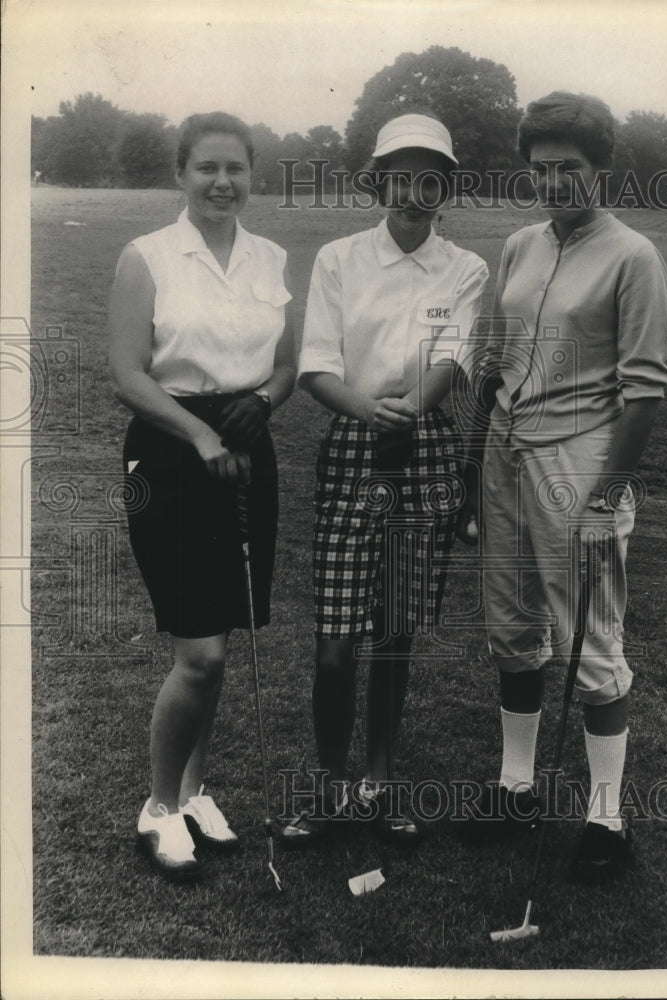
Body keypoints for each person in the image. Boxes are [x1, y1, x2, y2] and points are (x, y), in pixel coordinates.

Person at [457, 91, 667, 883]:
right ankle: (516, 790)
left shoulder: (633, 256)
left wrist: (609, 493)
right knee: (512, 632)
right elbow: (491, 361)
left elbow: (644, 390)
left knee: (591, 642)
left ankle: (606, 818)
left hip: (579, 464)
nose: (552, 182)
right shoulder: (518, 246)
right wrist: (469, 460)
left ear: (600, 169)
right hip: (506, 458)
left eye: (568, 169)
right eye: (541, 169)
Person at [281, 113, 488, 844]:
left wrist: (409, 411)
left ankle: (380, 779)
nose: (414, 191)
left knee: (394, 632)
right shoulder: (339, 259)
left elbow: (451, 361)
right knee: (337, 642)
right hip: (353, 439)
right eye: (401, 176)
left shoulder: (465, 268)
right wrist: (371, 411)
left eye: (430, 178)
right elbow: (315, 367)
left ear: (445, 188)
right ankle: (331, 786)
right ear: (380, 181)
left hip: (424, 445)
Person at [109, 112, 296, 879]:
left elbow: (286, 363)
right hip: (170, 450)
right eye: (206, 168)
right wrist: (202, 435)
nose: (223, 182)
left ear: (253, 175)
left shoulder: (272, 257)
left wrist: (268, 402)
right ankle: (158, 809)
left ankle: (194, 791)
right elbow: (127, 373)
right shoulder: (146, 256)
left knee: (222, 642)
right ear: (180, 174)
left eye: (236, 169)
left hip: (247, 445)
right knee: (201, 650)